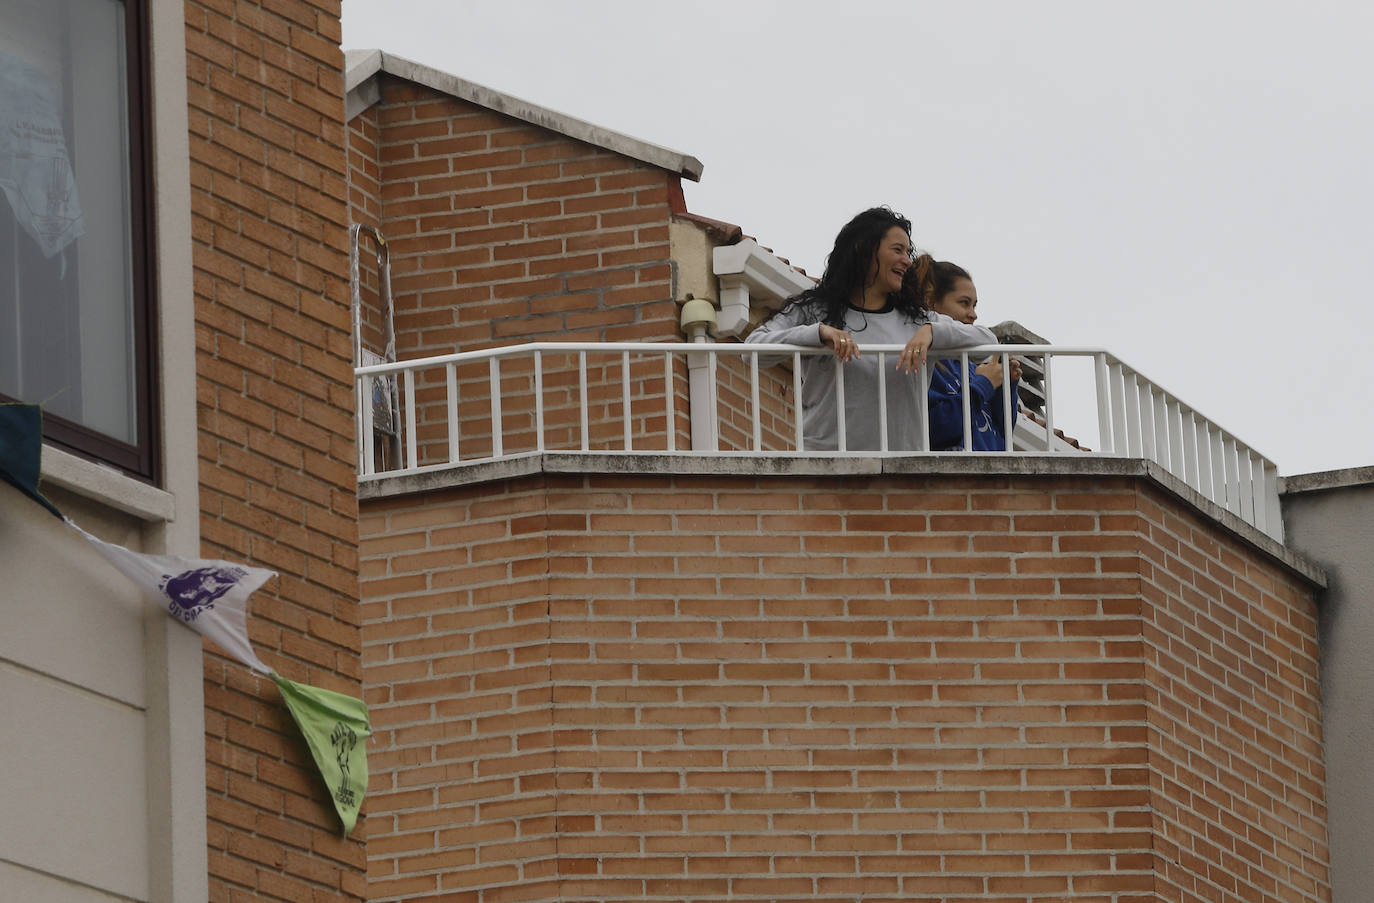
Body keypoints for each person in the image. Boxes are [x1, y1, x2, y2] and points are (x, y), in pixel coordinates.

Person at [744, 207, 996, 451]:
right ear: (863, 250)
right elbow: (752, 350)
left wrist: (932, 331)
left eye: (908, 252)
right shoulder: (813, 310)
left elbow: (988, 343)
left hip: (903, 476)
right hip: (827, 473)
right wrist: (818, 334)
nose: (907, 261)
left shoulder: (917, 320)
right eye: (897, 250)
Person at [926, 261, 1020, 451]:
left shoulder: (970, 364)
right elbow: (938, 428)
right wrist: (983, 384)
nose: (973, 315)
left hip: (993, 475)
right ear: (932, 303)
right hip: (953, 476)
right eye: (964, 303)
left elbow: (1002, 430)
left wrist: (1005, 385)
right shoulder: (928, 365)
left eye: (974, 305)